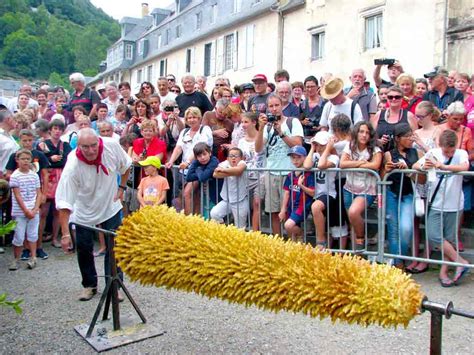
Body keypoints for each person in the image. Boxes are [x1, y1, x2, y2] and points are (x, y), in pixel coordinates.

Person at [56, 128, 132, 301]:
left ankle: (114, 285)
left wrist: (121, 188)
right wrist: (66, 234)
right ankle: (89, 285)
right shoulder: (72, 166)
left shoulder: (111, 146)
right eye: (85, 147)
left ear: (99, 141)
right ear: (78, 146)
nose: (90, 151)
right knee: (84, 248)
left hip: (110, 204)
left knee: (115, 247)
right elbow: (64, 202)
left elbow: (126, 166)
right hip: (83, 209)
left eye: (93, 145)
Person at [413, 129, 470, 287]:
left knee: (449, 240)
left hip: (454, 203)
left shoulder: (461, 153)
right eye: (446, 151)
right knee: (433, 235)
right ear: (441, 146)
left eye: (452, 151)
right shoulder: (433, 152)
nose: (450, 154)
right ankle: (460, 262)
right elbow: (416, 165)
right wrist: (425, 166)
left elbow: (465, 167)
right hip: (437, 202)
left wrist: (442, 166)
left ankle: (444, 272)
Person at [255, 94, 304, 236]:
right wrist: (261, 128)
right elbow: (258, 149)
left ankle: (293, 242)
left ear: (282, 105)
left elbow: (298, 144)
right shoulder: (267, 127)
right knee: (273, 211)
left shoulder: (292, 122)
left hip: (290, 173)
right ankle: (278, 242)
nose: (274, 109)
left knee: (289, 212)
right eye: (271, 106)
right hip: (272, 173)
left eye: (277, 105)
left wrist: (281, 133)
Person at [381, 123, 424, 269]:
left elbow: (422, 180)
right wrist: (387, 170)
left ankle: (400, 257)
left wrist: (409, 170)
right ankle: (398, 264)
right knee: (393, 229)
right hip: (391, 192)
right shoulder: (388, 154)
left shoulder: (417, 153)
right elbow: (381, 178)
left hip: (408, 194)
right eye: (407, 136)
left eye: (412, 135)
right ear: (398, 138)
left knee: (406, 228)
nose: (411, 139)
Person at [5, 129, 50, 260]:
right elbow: (8, 173)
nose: (27, 143)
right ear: (20, 141)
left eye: (30, 140)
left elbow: (45, 174)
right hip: (20, 192)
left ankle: (38, 247)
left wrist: (44, 193)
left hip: (35, 192)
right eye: (24, 140)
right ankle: (25, 249)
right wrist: (16, 178)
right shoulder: (15, 155)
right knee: (21, 222)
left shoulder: (39, 155)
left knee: (38, 219)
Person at [340, 122, 382, 249]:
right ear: (356, 133)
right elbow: (342, 164)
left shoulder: (375, 149)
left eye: (367, 133)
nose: (364, 135)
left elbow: (375, 165)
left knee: (353, 212)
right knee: (352, 221)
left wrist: (352, 163)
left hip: (367, 189)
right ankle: (356, 255)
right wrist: (360, 162)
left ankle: (360, 239)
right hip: (349, 187)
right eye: (361, 132)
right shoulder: (350, 146)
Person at [303, 132, 348, 249]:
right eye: (317, 145)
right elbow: (307, 165)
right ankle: (323, 241)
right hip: (316, 194)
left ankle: (320, 241)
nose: (319, 148)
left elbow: (322, 165)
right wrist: (312, 148)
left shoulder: (334, 158)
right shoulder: (315, 155)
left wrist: (328, 148)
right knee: (317, 212)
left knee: (316, 207)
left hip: (328, 193)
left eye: (321, 145)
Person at [37, 119, 72, 248]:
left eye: (59, 129)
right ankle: (38, 241)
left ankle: (55, 238)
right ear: (50, 130)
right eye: (55, 129)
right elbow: (39, 160)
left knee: (59, 210)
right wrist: (50, 159)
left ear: (62, 131)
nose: (57, 131)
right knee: (43, 211)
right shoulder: (42, 144)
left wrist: (51, 159)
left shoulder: (66, 145)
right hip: (47, 178)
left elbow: (67, 161)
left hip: (61, 177)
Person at [8, 149, 42, 270]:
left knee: (32, 234)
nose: (25, 161)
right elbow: (17, 195)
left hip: (33, 209)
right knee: (19, 236)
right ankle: (16, 259)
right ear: (17, 160)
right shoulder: (15, 176)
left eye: (27, 159)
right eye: (23, 159)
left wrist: (35, 208)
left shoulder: (34, 175)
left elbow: (39, 193)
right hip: (20, 211)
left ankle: (33, 257)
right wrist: (26, 211)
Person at [279, 145, 315, 243]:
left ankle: (301, 233)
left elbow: (313, 193)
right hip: (291, 206)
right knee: (290, 235)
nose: (295, 160)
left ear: (305, 157)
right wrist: (283, 209)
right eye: (293, 157)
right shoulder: (290, 175)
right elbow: (286, 193)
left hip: (301, 207)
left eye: (298, 157)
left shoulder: (309, 175)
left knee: (288, 225)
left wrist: (301, 185)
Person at [238, 112, 265, 231]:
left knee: (257, 203)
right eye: (242, 122)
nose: (243, 125)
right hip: (245, 176)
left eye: (246, 122)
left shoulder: (263, 137)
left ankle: (255, 233)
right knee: (243, 204)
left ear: (254, 122)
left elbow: (261, 150)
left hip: (261, 176)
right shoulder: (241, 141)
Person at [371, 86, 418, 152]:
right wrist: (379, 141)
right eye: (390, 97)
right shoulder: (379, 115)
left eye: (397, 97)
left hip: (403, 155)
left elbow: (416, 138)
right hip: (381, 154)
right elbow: (371, 137)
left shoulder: (409, 116)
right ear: (387, 98)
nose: (393, 99)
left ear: (402, 98)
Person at [211, 147, 248, 228]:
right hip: (227, 200)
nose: (233, 158)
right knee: (214, 213)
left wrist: (223, 170)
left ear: (241, 158)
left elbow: (238, 171)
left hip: (240, 201)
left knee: (240, 229)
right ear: (227, 158)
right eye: (231, 156)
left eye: (236, 156)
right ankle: (225, 232)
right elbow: (215, 174)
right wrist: (231, 172)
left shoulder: (243, 163)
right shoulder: (225, 163)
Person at [185, 142, 220, 216]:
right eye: (199, 156)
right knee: (204, 215)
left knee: (213, 216)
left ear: (210, 153)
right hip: (205, 193)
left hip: (216, 194)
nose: (202, 157)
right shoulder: (196, 162)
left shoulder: (214, 161)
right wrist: (202, 172)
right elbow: (188, 177)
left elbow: (203, 178)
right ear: (196, 157)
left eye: (204, 154)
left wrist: (198, 170)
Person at [300, 76, 325, 140]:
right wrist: (303, 122)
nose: (310, 89)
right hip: (306, 137)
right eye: (307, 87)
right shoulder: (302, 104)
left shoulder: (324, 103)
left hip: (321, 137)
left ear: (317, 87)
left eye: (312, 86)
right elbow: (298, 120)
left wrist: (320, 126)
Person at [0, 110, 20, 179]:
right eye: (14, 119)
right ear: (8, 119)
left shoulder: (9, 136)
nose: (16, 122)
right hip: (2, 177)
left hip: (13, 176)